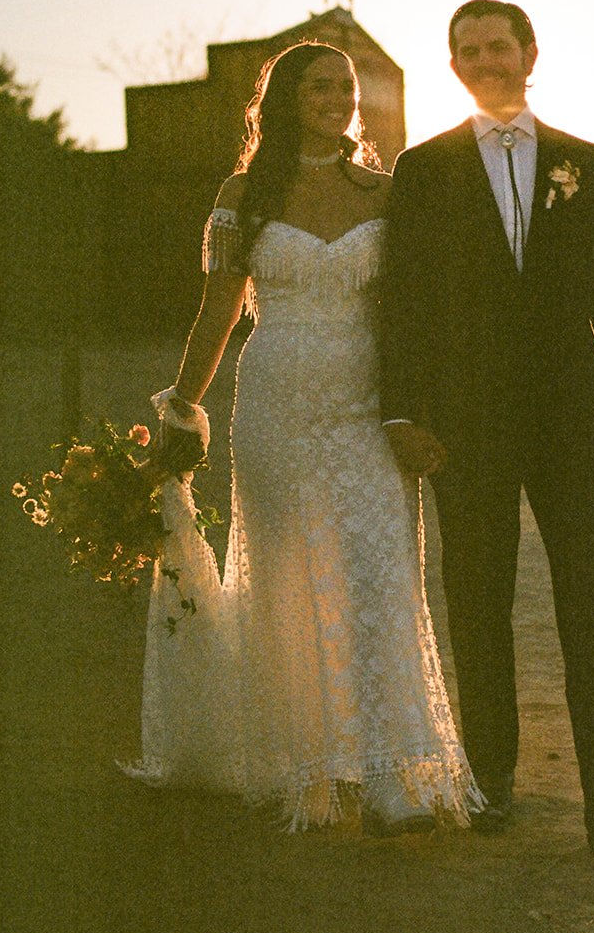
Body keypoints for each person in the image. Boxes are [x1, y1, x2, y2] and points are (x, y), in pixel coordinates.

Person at [126, 41, 480, 835]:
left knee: (380, 569)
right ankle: (317, 764)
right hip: (279, 402)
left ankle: (391, 773)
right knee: (293, 578)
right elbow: (217, 312)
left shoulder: (389, 193)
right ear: (285, 99)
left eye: (346, 88)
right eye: (320, 87)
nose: (337, 99)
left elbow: (417, 314)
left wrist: (422, 407)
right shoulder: (243, 193)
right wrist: (181, 409)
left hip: (368, 405)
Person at [379, 0, 594, 861]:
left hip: (569, 418)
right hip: (464, 423)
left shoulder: (585, 162)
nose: (484, 60)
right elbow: (404, 300)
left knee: (589, 601)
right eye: (466, 51)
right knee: (478, 601)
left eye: (497, 45)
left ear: (529, 52)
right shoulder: (421, 169)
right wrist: (400, 412)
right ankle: (490, 783)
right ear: (454, 67)